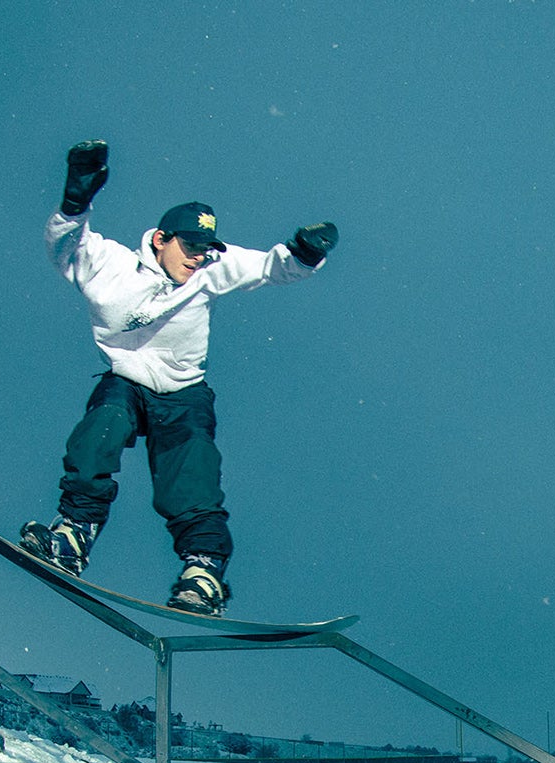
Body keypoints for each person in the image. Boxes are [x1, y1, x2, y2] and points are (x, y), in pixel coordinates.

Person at [19, 139, 338, 615]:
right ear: (162, 239)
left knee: (190, 480)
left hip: (184, 393)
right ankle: (71, 536)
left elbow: (272, 267)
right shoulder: (110, 265)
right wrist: (74, 202)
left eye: (205, 249)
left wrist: (306, 253)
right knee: (98, 432)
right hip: (126, 380)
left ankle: (203, 573)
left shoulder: (212, 266)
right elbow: (66, 245)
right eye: (188, 247)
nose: (197, 258)